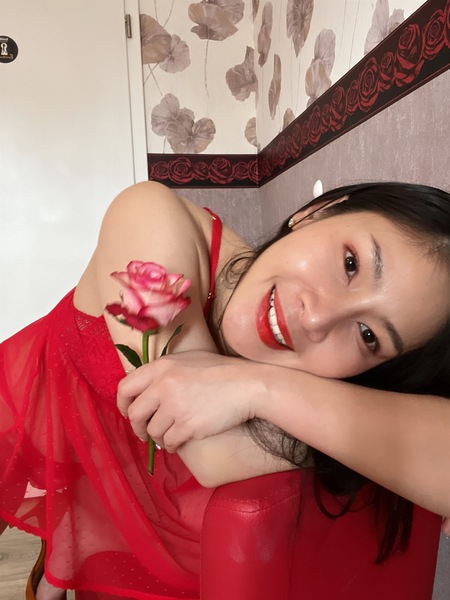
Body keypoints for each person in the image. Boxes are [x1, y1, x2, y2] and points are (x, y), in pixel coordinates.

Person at [1, 180, 449, 599]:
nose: (316, 319)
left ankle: (57, 569)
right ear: (317, 212)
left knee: (87, 524)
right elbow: (214, 454)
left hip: (131, 462)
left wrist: (262, 387)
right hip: (33, 408)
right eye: (350, 264)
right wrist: (383, 455)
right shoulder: (149, 214)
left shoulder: (322, 368)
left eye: (369, 336)